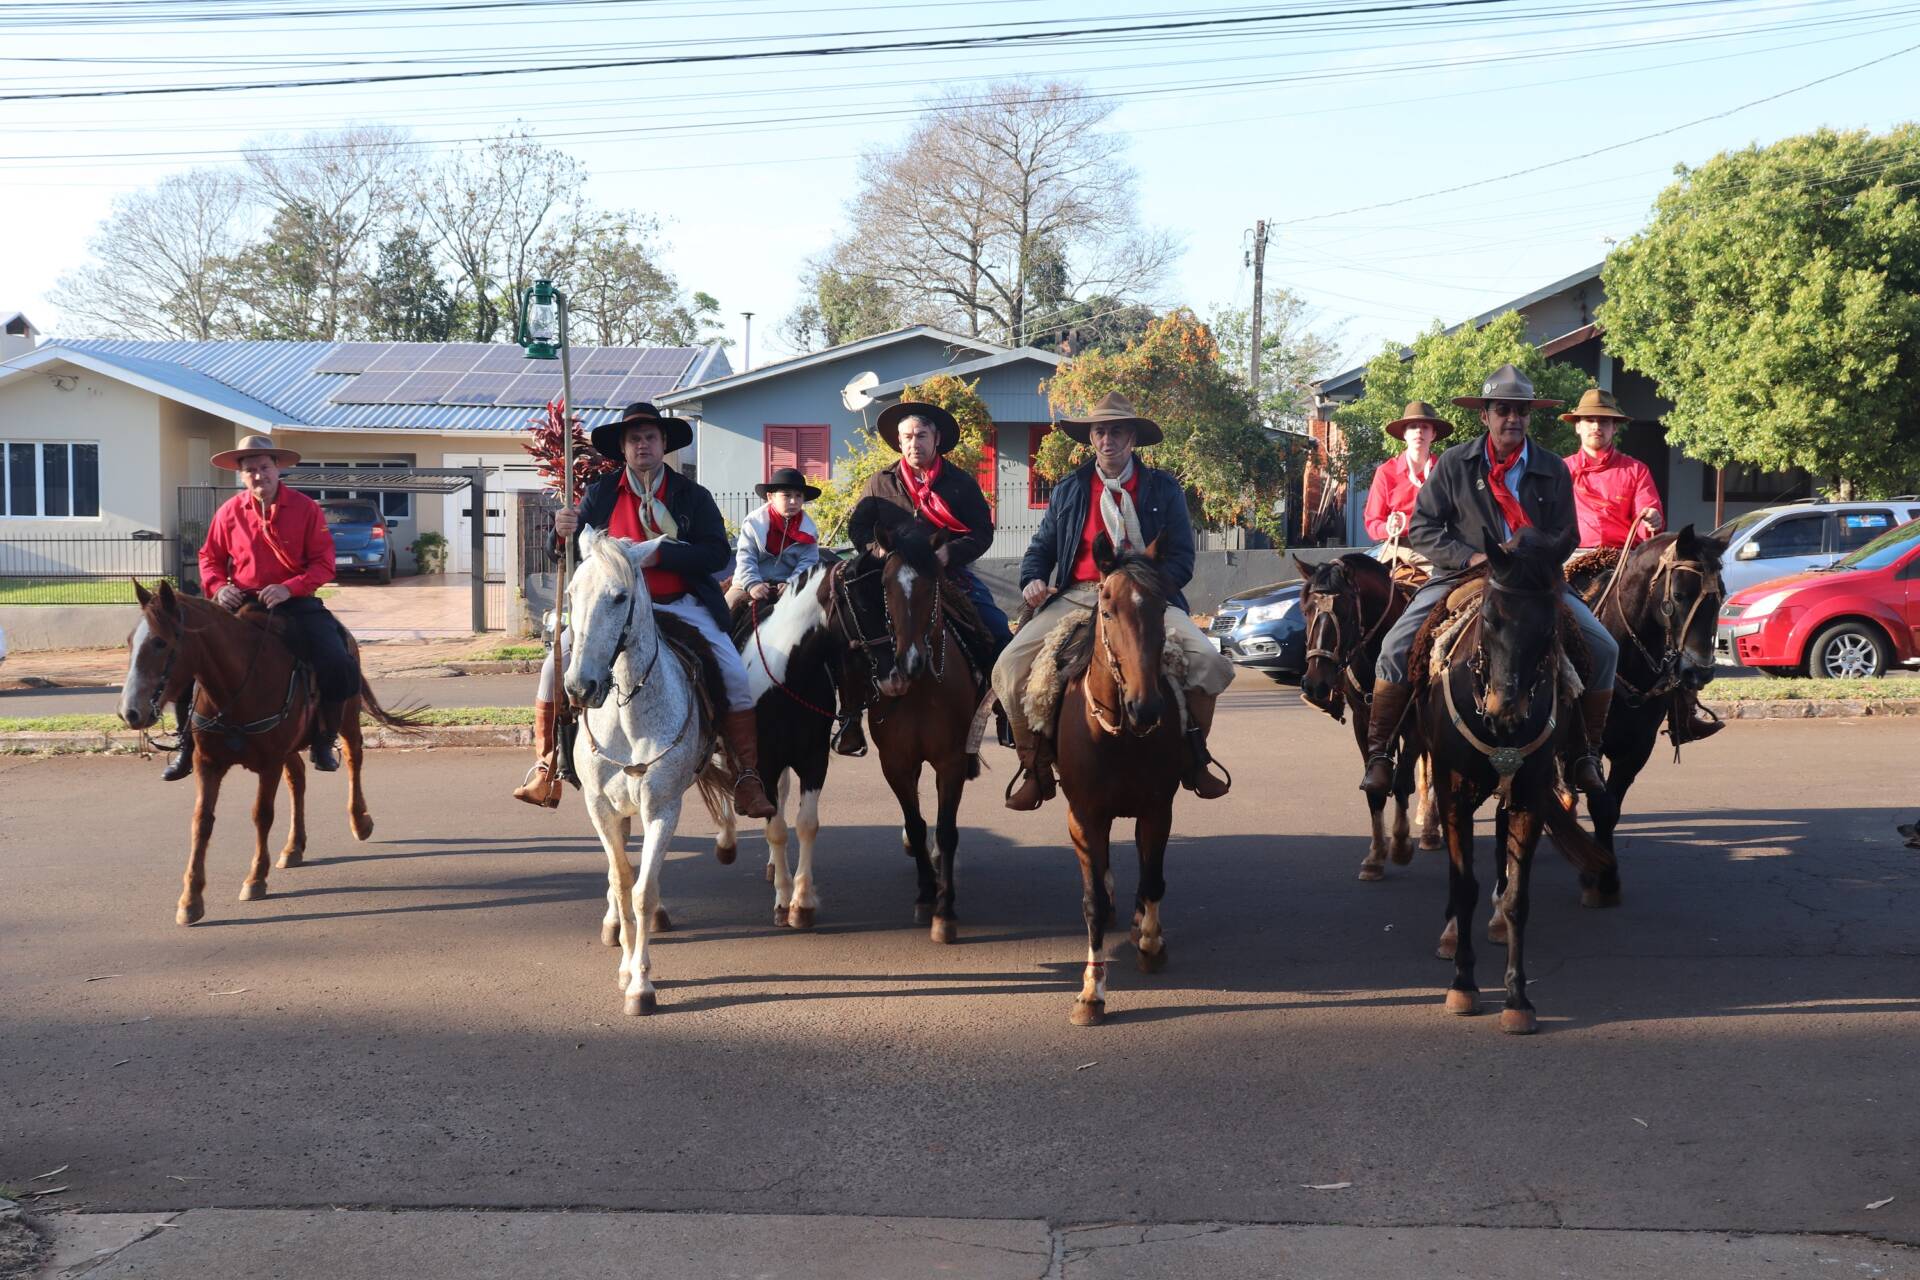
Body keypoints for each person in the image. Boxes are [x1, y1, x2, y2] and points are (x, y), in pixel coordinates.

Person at [1358, 365, 1620, 799]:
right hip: (1463, 575)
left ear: (1529, 416)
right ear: (1485, 415)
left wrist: (1531, 558)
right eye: (1502, 410)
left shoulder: (1553, 469)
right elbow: (1423, 528)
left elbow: (1567, 534)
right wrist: (1472, 556)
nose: (1511, 418)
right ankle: (1380, 754)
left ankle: (1585, 755)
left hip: (1534, 583)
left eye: (1520, 411)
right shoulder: (1455, 464)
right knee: (1395, 647)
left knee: (1605, 648)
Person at [512, 402, 776, 819]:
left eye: (650, 437)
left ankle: (746, 776)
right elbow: (566, 551)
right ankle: (547, 766)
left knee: (732, 672)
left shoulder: (693, 495)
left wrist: (662, 556)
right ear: (623, 448)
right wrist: (557, 535)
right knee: (552, 667)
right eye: (634, 439)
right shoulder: (600, 495)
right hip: (611, 611)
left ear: (664, 443)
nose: (643, 445)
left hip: (679, 605)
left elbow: (715, 553)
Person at [991, 392, 1236, 811]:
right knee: (1009, 669)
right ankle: (1035, 768)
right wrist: (1032, 578)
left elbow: (1180, 556)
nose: (1108, 440)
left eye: (1117, 431)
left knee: (1211, 664)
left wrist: (1148, 589)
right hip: (1079, 593)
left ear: (1132, 439)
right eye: (1100, 431)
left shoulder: (1164, 487)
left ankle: (1194, 758)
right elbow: (1041, 548)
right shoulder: (1069, 489)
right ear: (1091, 439)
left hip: (1146, 596)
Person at [162, 434, 358, 779]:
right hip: (242, 604)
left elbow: (324, 564)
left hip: (294, 602)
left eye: (264, 467)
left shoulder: (305, 508)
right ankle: (185, 745)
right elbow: (209, 558)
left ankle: (325, 739)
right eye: (250, 470)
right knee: (190, 660)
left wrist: (289, 587)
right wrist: (220, 587)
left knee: (336, 658)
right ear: (241, 475)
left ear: (277, 468)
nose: (258, 475)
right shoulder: (229, 511)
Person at [838, 400, 1010, 756]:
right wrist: (879, 551)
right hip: (891, 576)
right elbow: (858, 528)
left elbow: (982, 532)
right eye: (907, 437)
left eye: (921, 436)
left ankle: (1003, 711)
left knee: (996, 631)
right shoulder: (879, 482)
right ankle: (850, 719)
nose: (914, 443)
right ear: (898, 443)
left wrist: (950, 553)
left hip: (946, 574)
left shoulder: (960, 482)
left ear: (936, 439)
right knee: (848, 636)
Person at [1562, 386, 1721, 743]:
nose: (1596, 427)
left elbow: (1652, 515)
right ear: (1578, 426)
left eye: (1604, 421)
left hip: (1624, 558)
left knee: (1668, 623)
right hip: (1572, 557)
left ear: (1614, 428)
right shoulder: (1562, 471)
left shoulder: (1635, 469)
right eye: (1590, 420)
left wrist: (1650, 516)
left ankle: (1684, 710)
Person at [1363, 401, 1449, 559]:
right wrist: (1388, 527)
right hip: (1398, 548)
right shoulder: (1386, 472)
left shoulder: (1445, 470)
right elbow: (1372, 522)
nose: (1419, 431)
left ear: (1433, 434)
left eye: (1425, 427)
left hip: (1439, 546)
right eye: (1413, 426)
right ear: (1404, 434)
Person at [727, 467, 821, 611]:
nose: (793, 501)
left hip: (788, 584)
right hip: (748, 582)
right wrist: (753, 584)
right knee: (724, 614)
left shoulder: (809, 530)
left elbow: (808, 562)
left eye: (798, 496)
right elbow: (746, 556)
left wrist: (792, 583)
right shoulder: (754, 522)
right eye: (786, 495)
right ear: (771, 497)